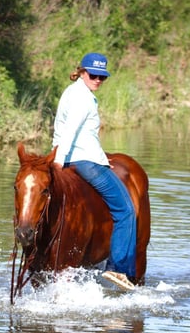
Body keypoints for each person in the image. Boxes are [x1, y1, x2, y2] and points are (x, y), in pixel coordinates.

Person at [52, 52, 137, 292]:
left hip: (78, 157)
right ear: (81, 71)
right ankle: (117, 268)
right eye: (93, 74)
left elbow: (79, 134)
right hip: (82, 160)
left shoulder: (72, 92)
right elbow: (71, 131)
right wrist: (58, 162)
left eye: (102, 76)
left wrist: (100, 158)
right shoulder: (83, 98)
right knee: (126, 210)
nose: (98, 79)